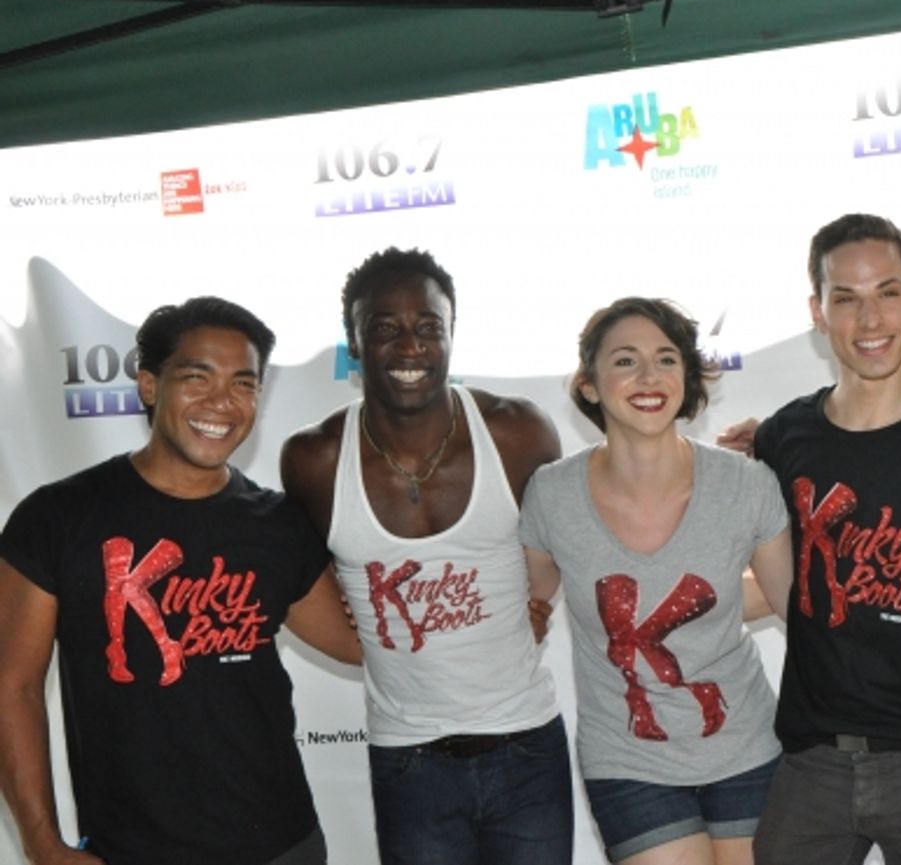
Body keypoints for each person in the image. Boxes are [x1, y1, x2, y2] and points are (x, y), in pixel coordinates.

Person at [0, 297, 359, 865]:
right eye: (198, 377)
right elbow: (12, 686)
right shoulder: (58, 518)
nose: (222, 401)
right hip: (132, 851)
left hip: (281, 844)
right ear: (148, 385)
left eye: (244, 383)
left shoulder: (278, 523)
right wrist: (42, 841)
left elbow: (359, 644)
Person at [280, 247, 573, 865]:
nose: (409, 347)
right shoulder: (315, 460)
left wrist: (535, 600)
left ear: (450, 336)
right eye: (384, 329)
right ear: (354, 344)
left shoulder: (516, 432)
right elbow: (308, 583)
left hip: (527, 745)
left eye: (427, 328)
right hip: (407, 758)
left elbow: (563, 539)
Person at [519, 297, 792, 865]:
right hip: (628, 761)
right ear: (589, 383)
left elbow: (795, 600)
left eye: (666, 359)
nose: (648, 377)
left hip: (746, 746)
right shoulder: (552, 494)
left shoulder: (746, 485)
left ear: (687, 378)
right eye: (624, 361)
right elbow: (526, 599)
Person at [745, 214, 901, 865]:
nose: (869, 319)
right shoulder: (783, 438)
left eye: (887, 291)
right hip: (813, 757)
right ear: (817, 312)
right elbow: (754, 566)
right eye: (845, 298)